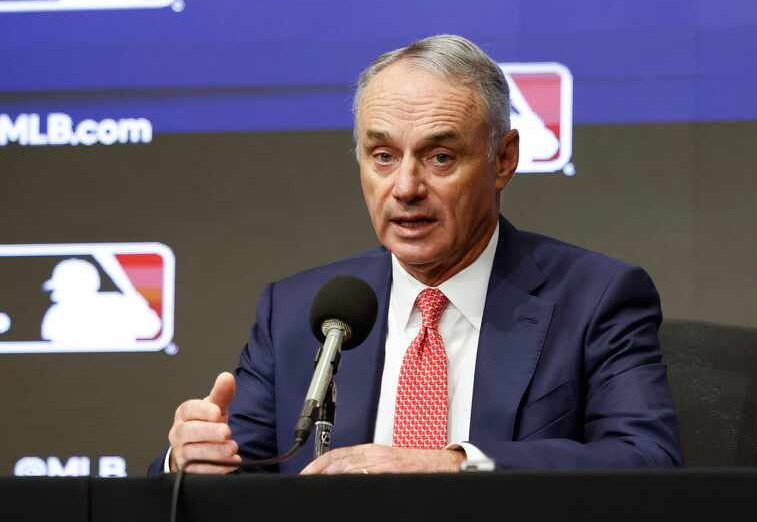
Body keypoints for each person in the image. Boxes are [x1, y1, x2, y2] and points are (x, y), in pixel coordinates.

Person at [149, 34, 681, 476]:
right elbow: (233, 470)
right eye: (383, 156)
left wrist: (452, 466)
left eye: (440, 157)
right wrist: (186, 459)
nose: (405, 187)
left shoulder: (595, 299)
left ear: (504, 159)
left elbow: (645, 461)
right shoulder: (296, 311)